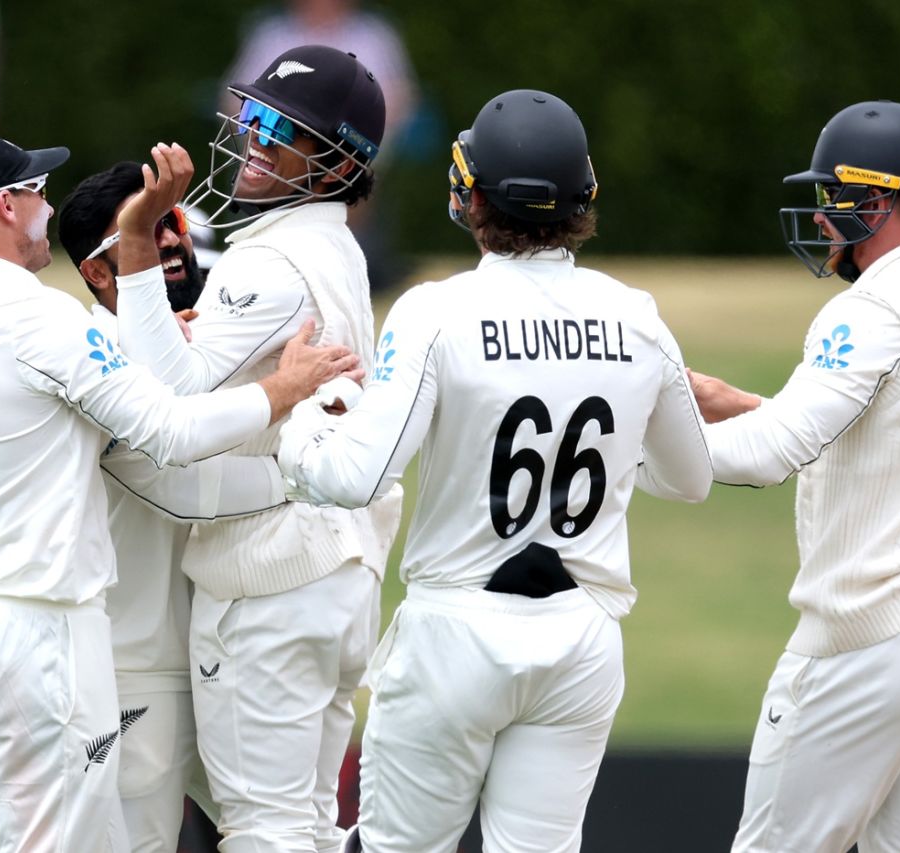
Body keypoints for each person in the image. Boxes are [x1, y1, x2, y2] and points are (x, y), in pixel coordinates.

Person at [276, 89, 713, 853]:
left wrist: (300, 413)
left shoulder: (436, 310)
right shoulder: (637, 313)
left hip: (457, 630)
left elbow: (353, 476)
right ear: (583, 197)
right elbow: (689, 477)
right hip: (582, 636)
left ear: (472, 195)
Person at [0, 133, 357, 852]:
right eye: (33, 192)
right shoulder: (36, 316)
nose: (44, 206)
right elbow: (169, 434)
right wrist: (284, 391)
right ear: (1, 207)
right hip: (43, 626)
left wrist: (137, 345)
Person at [686, 100, 900, 852]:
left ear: (872, 199)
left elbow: (769, 454)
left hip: (876, 640)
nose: (822, 219)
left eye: (829, 199)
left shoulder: (872, 308)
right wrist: (743, 403)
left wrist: (636, 438)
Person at [115, 45, 404, 853]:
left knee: (264, 830)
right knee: (307, 825)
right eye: (252, 115)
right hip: (339, 576)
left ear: (336, 162)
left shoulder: (271, 260)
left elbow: (168, 396)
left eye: (281, 128)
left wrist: (138, 243)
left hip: (270, 583)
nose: (254, 137)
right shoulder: (337, 247)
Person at [58, 161, 293, 851]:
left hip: (215, 649)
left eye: (174, 222)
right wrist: (322, 480)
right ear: (99, 273)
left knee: (285, 829)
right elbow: (185, 485)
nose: (168, 242)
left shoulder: (196, 343)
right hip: (128, 662)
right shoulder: (87, 355)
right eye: (140, 231)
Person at [218, 0, 417, 291]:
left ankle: (351, 269)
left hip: (348, 155)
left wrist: (360, 150)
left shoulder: (375, 35)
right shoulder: (271, 34)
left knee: (352, 169)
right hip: (273, 146)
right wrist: (262, 131)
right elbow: (231, 97)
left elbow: (399, 101)